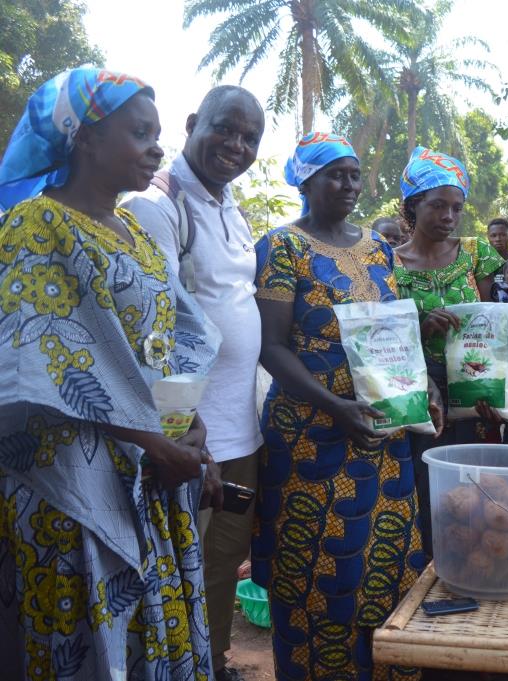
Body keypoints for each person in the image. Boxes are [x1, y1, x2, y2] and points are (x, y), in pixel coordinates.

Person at [0, 68, 221, 680]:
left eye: (157, 134)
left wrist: (194, 430)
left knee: (153, 629)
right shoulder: (34, 227)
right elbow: (41, 361)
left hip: (152, 472)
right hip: (75, 478)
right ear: (85, 140)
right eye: (139, 132)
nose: (156, 147)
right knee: (87, 629)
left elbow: (168, 346)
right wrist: (153, 442)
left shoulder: (138, 236)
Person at [251, 133, 436, 681]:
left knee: (388, 570)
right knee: (317, 575)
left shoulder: (378, 249)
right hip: (313, 441)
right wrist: (337, 407)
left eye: (355, 175)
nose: (349, 185)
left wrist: (420, 396)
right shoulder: (281, 247)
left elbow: (392, 334)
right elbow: (273, 348)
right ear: (305, 181)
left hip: (382, 438)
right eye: (336, 174)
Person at [122, 85, 265, 681]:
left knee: (221, 561)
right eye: (225, 129)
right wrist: (186, 439)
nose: (235, 146)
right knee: (173, 566)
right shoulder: (157, 206)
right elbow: (151, 332)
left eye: (249, 138)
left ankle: (213, 662)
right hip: (188, 437)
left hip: (241, 430)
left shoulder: (229, 203)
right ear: (192, 124)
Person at [394, 146, 504, 555]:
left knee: (474, 493)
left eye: (457, 207)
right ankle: (427, 582)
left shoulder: (475, 255)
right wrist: (423, 330)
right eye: (438, 205)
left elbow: (491, 328)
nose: (449, 217)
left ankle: (473, 573)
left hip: (473, 390)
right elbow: (386, 341)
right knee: (426, 492)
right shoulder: (388, 264)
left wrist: (494, 393)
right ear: (412, 205)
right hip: (420, 397)